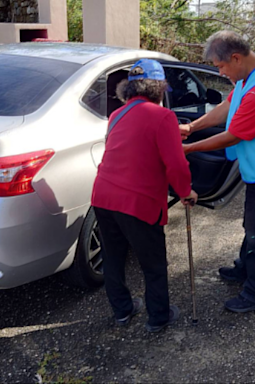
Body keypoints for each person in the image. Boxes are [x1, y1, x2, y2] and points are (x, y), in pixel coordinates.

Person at [180, 31, 255, 313]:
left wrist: (188, 149)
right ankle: (245, 268)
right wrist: (192, 127)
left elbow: (233, 135)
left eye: (221, 66)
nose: (220, 72)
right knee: (254, 225)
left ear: (236, 57)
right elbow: (227, 106)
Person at [91, 59, 197, 333]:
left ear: (130, 88)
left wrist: (174, 133)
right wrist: (186, 192)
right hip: (137, 202)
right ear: (159, 87)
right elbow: (176, 165)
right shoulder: (163, 117)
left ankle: (123, 311)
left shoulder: (117, 115)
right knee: (153, 263)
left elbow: (132, 145)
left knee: (113, 258)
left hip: (103, 196)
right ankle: (158, 316)